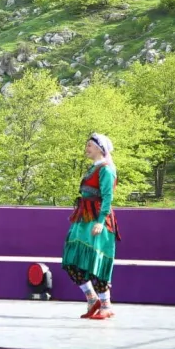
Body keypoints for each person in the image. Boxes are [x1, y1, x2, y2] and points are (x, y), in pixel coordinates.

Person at [61, 133, 120, 320]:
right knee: (71, 260)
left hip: (96, 220)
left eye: (89, 145)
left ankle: (106, 305)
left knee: (98, 260)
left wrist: (100, 222)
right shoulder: (92, 169)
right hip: (83, 219)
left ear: (100, 148)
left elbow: (107, 197)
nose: (86, 148)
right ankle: (91, 297)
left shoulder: (106, 170)